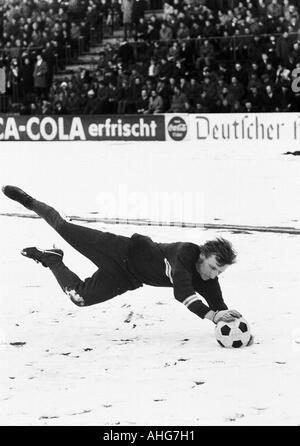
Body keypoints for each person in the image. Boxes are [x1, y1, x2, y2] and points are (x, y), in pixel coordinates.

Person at [2, 185, 245, 327]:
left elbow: (219, 306)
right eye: (213, 267)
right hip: (118, 249)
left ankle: (53, 259)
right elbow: (182, 292)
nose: (213, 275)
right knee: (63, 227)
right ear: (202, 255)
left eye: (219, 272)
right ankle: (28, 200)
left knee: (79, 299)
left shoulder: (209, 278)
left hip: (126, 278)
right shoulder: (184, 254)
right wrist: (212, 316)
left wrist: (229, 319)